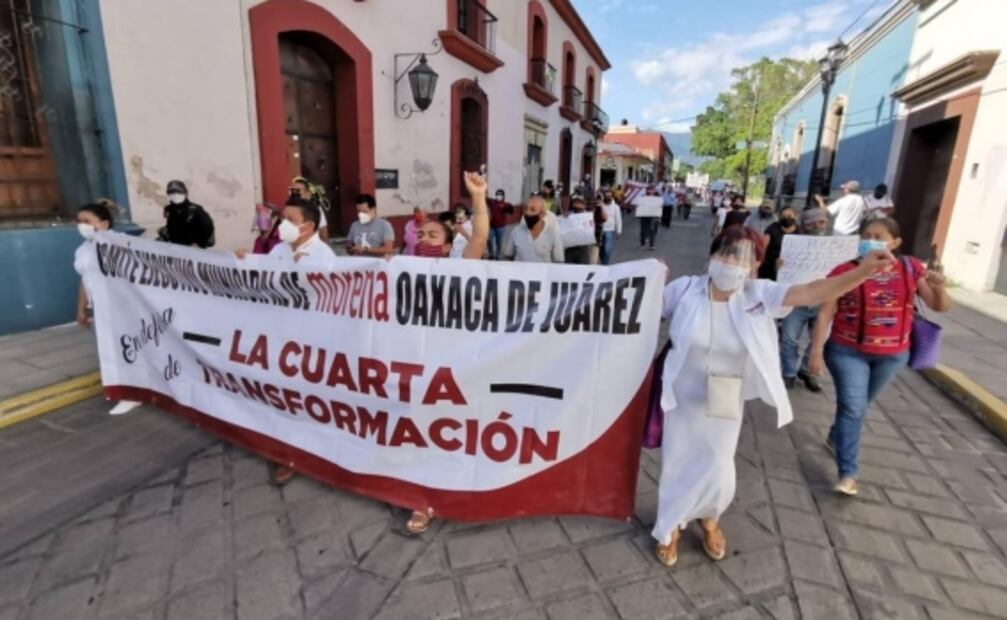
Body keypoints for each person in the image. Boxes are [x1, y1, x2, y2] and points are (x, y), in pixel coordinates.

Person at [652, 224, 897, 568]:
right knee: (677, 462)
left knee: (719, 464)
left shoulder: (758, 294)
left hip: (725, 394)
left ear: (756, 266)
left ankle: (709, 518)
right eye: (726, 252)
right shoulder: (685, 290)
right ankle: (670, 526)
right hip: (682, 395)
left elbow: (814, 291)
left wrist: (864, 270)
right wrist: (648, 280)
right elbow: (639, 310)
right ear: (713, 254)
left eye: (744, 257)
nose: (732, 262)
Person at [808, 217, 952, 495]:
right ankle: (848, 473)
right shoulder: (845, 271)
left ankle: (835, 437)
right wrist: (815, 352)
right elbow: (826, 312)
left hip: (893, 355)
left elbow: (939, 306)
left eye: (878, 235)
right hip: (846, 351)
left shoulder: (910, 269)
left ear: (895, 242)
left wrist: (939, 286)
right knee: (853, 407)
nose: (870, 240)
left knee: (859, 405)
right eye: (866, 235)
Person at [405, 170, 489, 533]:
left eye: (432, 235)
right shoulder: (402, 269)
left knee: (448, 432)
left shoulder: (459, 266)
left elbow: (481, 236)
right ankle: (420, 501)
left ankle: (456, 485)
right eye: (420, 234)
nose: (424, 239)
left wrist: (478, 198)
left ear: (446, 243)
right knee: (417, 433)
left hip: (453, 367)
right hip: (413, 364)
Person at [74, 200, 143, 417]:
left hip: (122, 310)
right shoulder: (83, 250)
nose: (81, 225)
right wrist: (81, 309)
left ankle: (133, 394)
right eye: (79, 221)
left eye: (87, 221)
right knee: (108, 352)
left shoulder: (122, 245)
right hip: (100, 311)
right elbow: (85, 280)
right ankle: (124, 389)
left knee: (126, 351)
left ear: (103, 224)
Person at [778, 207, 829, 393]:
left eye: (821, 222)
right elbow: (783, 272)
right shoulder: (792, 245)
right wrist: (781, 267)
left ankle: (807, 371)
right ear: (804, 225)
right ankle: (789, 373)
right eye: (812, 223)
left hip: (823, 302)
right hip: (797, 300)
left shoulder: (834, 248)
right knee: (789, 339)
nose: (817, 226)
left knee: (821, 339)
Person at [503, 193, 564, 263]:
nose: (527, 213)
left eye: (532, 210)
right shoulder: (516, 231)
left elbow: (559, 262)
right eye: (526, 209)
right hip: (520, 274)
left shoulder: (553, 235)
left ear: (542, 214)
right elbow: (508, 257)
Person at [157, 180, 214, 248]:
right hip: (175, 249)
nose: (175, 195)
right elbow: (175, 229)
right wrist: (165, 232)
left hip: (192, 251)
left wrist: (198, 243)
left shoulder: (195, 209)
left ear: (185, 193)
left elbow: (208, 227)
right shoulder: (171, 210)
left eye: (178, 192)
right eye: (171, 192)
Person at [347, 193, 395, 258]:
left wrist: (366, 249)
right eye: (358, 211)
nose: (361, 214)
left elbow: (388, 249)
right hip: (359, 265)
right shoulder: (354, 225)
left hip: (377, 265)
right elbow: (349, 245)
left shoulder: (384, 225)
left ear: (373, 209)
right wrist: (351, 249)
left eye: (364, 211)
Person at [758, 206, 797, 281]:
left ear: (795, 216)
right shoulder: (772, 228)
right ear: (779, 217)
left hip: (791, 270)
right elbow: (762, 247)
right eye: (783, 216)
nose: (786, 218)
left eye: (789, 216)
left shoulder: (800, 231)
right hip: (770, 268)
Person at [290, 176, 331, 241]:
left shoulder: (316, 210)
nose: (294, 193)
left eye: (298, 191)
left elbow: (324, 236)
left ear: (307, 193)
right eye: (292, 190)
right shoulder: (289, 210)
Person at [562, 196, 594, 265]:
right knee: (568, 270)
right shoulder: (568, 215)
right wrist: (564, 217)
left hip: (583, 249)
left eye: (579, 203)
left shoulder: (588, 216)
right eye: (575, 202)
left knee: (583, 270)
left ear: (583, 205)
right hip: (570, 249)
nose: (577, 205)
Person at [487, 189, 513, 260]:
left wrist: (510, 207)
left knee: (499, 241)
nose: (499, 196)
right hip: (491, 226)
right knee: (489, 239)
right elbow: (485, 199)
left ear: (503, 196)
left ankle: (498, 254)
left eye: (500, 194)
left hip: (500, 227)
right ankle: (491, 253)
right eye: (497, 194)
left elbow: (511, 211)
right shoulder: (492, 202)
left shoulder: (505, 204)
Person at [600, 189, 622, 265]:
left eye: (609, 195)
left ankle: (604, 264)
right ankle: (603, 261)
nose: (608, 196)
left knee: (607, 249)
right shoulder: (600, 205)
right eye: (606, 195)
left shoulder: (616, 207)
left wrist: (618, 230)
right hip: (599, 230)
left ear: (612, 196)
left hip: (609, 230)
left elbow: (618, 219)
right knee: (601, 249)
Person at [638, 185, 659, 251]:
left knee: (652, 230)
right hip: (644, 215)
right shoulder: (643, 197)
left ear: (654, 191)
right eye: (648, 190)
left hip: (652, 216)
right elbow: (639, 206)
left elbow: (659, 207)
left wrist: (658, 216)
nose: (650, 191)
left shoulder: (656, 198)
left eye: (651, 190)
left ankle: (652, 245)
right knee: (643, 230)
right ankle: (642, 244)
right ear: (646, 190)